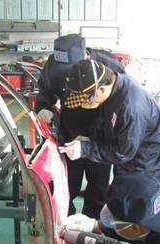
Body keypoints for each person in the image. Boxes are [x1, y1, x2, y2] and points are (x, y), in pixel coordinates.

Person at [36, 34, 124, 219]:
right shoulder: (53, 65)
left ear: (85, 56)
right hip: (71, 127)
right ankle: (66, 218)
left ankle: (91, 220)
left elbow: (121, 101)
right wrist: (44, 108)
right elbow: (45, 91)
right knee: (68, 180)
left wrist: (96, 137)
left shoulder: (109, 66)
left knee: (98, 184)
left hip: (100, 133)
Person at [59, 59, 160, 184]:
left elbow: (123, 152)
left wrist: (84, 149)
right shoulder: (114, 88)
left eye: (87, 98)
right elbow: (108, 126)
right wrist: (90, 139)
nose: (86, 102)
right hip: (128, 162)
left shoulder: (130, 108)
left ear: (101, 89)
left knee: (130, 194)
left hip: (145, 167)